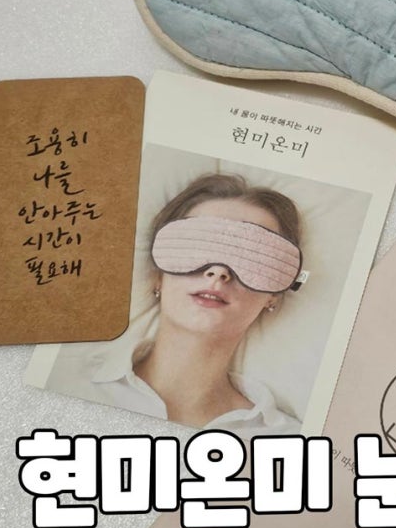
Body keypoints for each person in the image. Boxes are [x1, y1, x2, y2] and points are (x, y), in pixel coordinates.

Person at [60, 173, 304, 436]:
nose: (219, 272)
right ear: (157, 276)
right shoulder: (63, 382)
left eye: (252, 257)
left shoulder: (289, 441)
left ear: (272, 296)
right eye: (196, 246)